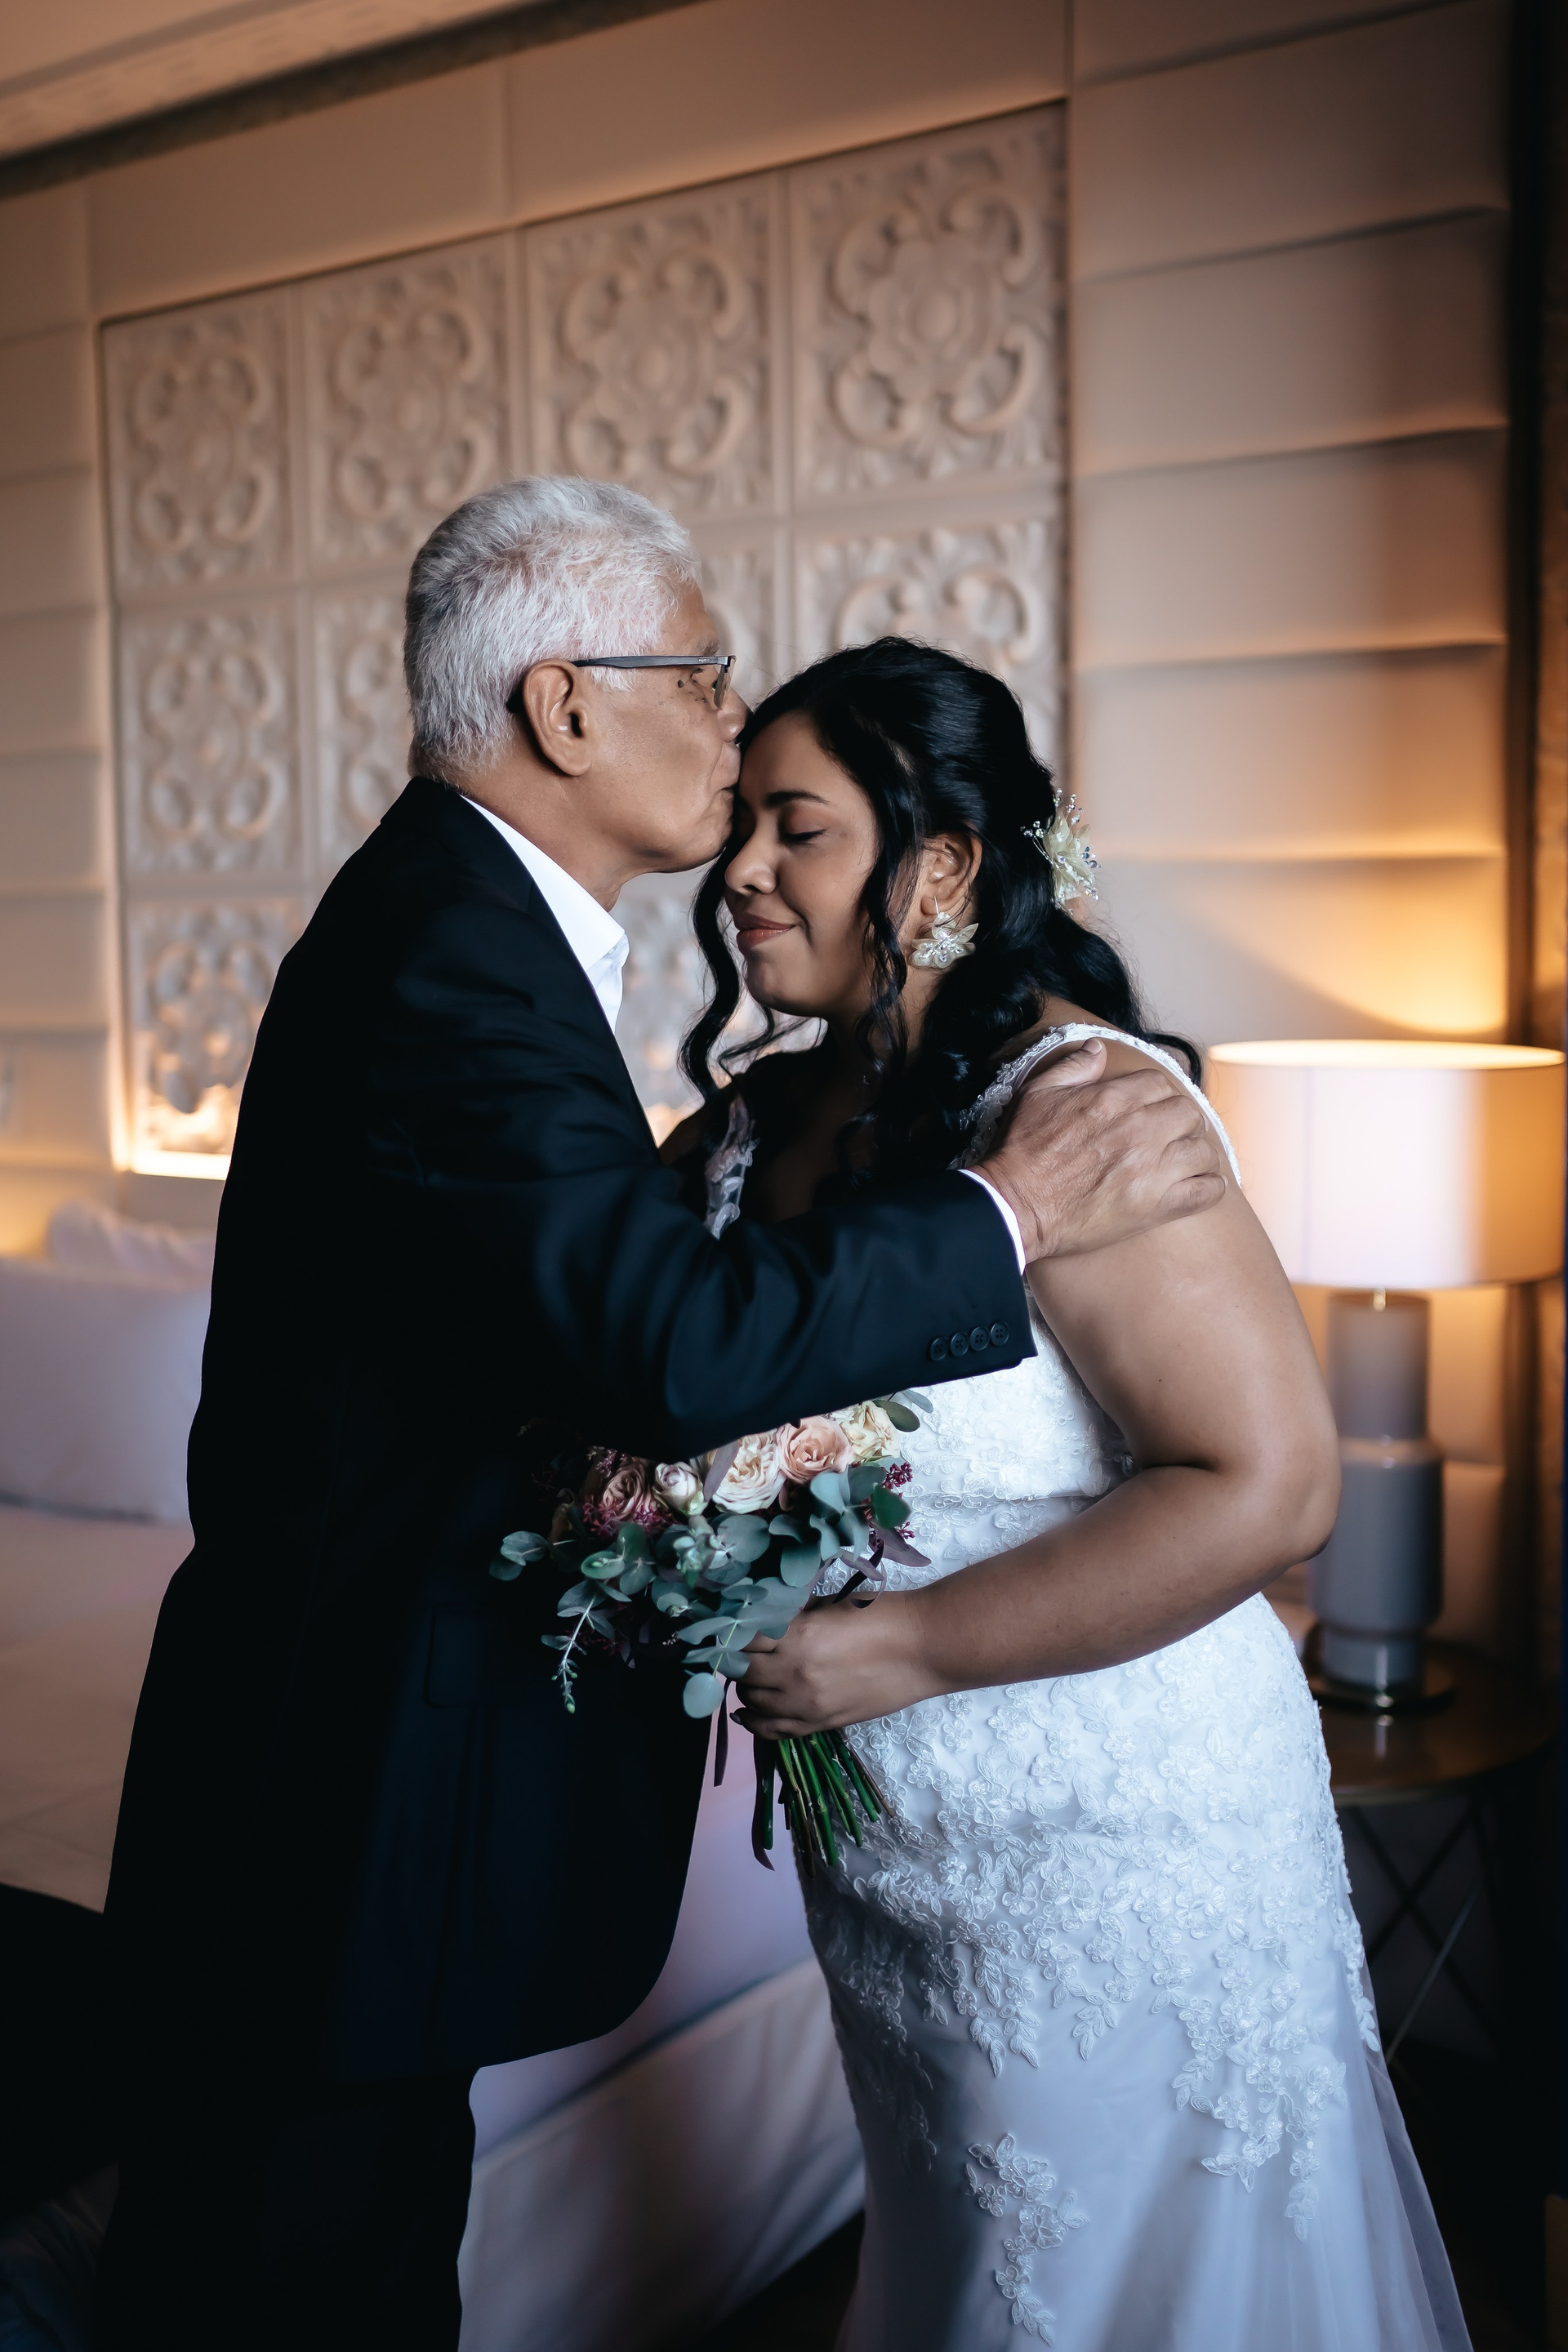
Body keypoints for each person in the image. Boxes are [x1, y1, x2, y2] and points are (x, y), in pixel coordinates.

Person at [95, 480, 1228, 2351]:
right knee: (293, 2287)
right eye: (702, 676)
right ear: (565, 706)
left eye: (801, 809)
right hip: (348, 1794)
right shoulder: (453, 956)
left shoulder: (470, 929)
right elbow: (669, 1349)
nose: (728, 718)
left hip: (353, 1778)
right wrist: (1011, 1210)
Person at [666, 637, 1471, 2350]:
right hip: (896, 1855)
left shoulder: (1083, 1112)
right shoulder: (749, 1131)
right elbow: (644, 1375)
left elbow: (1270, 1485)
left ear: (943, 865)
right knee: (965, 2246)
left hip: (1125, 1834)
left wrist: (903, 1650)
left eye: (797, 828)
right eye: (739, 825)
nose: (739, 869)